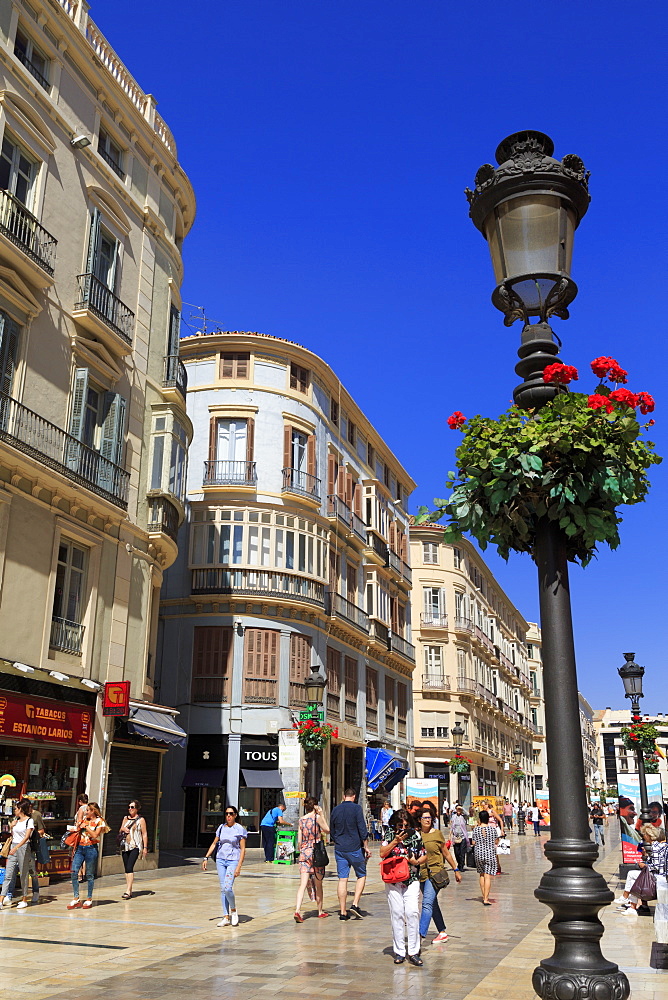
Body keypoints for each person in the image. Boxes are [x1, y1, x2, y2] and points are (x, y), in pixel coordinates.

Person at [379, 809, 426, 965]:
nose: (403, 828)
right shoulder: (389, 835)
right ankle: (399, 951)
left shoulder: (416, 836)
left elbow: (424, 854)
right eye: (400, 825)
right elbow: (382, 853)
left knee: (412, 912)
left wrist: (416, 862)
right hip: (392, 880)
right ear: (394, 824)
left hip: (411, 878)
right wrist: (395, 841)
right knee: (397, 913)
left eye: (406, 825)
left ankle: (413, 951)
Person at [418, 807, 460, 944]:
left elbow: (446, 853)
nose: (427, 820)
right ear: (419, 820)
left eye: (429, 817)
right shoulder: (417, 835)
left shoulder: (437, 834)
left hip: (435, 873)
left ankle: (419, 935)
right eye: (424, 818)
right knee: (432, 904)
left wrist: (456, 869)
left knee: (427, 904)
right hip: (422, 874)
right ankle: (442, 931)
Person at [202, 805, 247, 927]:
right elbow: (214, 843)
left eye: (231, 814)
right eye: (227, 814)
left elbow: (243, 849)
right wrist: (206, 857)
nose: (228, 816)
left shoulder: (240, 829)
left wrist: (239, 866)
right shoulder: (221, 828)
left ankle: (233, 910)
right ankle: (226, 916)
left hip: (233, 860)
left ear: (235, 815)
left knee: (228, 887)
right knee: (223, 888)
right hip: (221, 859)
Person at [330, 787, 369, 920]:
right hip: (354, 847)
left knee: (342, 879)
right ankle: (355, 904)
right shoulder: (357, 809)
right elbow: (362, 828)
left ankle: (342, 912)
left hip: (340, 848)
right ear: (354, 796)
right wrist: (366, 845)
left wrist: (337, 841)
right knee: (361, 875)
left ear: (343, 796)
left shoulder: (335, 809)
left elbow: (332, 829)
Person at [294, 797, 330, 921]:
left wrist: (303, 849)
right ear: (315, 806)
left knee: (302, 884)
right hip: (316, 853)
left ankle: (297, 910)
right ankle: (320, 910)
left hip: (304, 853)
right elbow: (327, 829)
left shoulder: (301, 820)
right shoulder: (317, 818)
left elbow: (299, 841)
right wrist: (321, 814)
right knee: (318, 883)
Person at [68, 802, 107, 909]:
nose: (86, 812)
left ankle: (89, 899)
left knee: (89, 874)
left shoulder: (100, 821)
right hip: (80, 848)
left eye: (88, 810)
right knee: (74, 871)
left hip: (91, 848)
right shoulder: (84, 819)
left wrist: (86, 827)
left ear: (93, 811)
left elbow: (95, 835)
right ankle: (76, 898)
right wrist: (76, 827)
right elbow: (78, 831)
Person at [0, 798, 35, 909]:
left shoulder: (29, 821)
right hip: (13, 846)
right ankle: (1, 899)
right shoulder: (16, 820)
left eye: (16, 809)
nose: (14, 810)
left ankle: (24, 899)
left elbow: (26, 837)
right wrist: (11, 827)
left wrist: (17, 847)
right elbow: (14, 835)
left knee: (23, 873)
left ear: (21, 809)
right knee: (8, 874)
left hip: (23, 847)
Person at [119, 799, 148, 899]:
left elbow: (144, 834)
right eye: (129, 807)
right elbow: (120, 829)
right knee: (126, 867)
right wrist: (123, 829)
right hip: (125, 846)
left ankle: (128, 890)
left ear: (137, 809)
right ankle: (129, 890)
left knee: (130, 867)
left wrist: (145, 847)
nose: (130, 809)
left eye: (132, 807)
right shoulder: (125, 818)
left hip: (135, 846)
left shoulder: (141, 820)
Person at [472, 809, 499, 905]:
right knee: (488, 876)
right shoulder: (492, 829)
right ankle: (486, 898)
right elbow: (496, 841)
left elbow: (473, 842)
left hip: (478, 853)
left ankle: (483, 895)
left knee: (481, 874)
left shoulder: (476, 829)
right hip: (490, 854)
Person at [450, 804, 469, 872]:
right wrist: (451, 835)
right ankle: (459, 863)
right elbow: (451, 826)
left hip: (463, 837)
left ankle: (461, 865)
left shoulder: (463, 817)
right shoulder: (453, 817)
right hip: (456, 837)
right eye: (457, 809)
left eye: (459, 810)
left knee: (462, 852)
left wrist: (462, 809)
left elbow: (468, 814)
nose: (458, 811)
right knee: (457, 852)